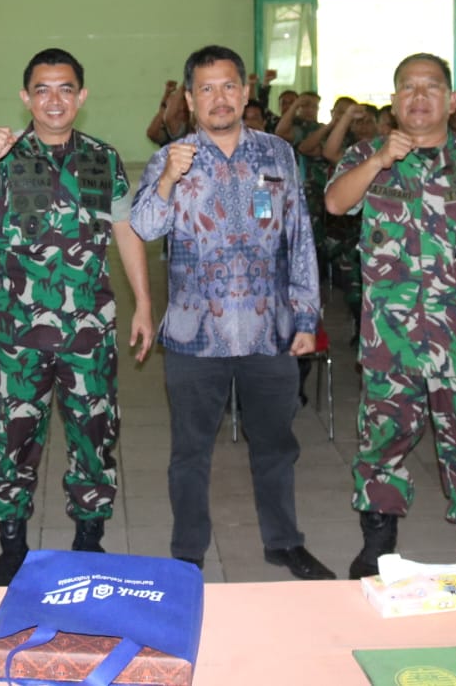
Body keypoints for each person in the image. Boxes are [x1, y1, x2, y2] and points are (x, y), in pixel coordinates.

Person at [130, 45, 334, 581]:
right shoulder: (169, 158)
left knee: (277, 448)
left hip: (270, 331)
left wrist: (307, 319)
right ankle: (188, 553)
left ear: (245, 93)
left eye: (228, 87)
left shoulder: (278, 155)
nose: (218, 98)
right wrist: (169, 178)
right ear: (189, 99)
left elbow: (300, 238)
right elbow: (146, 226)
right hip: (197, 336)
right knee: (190, 454)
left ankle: (284, 542)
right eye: (205, 88)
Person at [0, 49, 155, 586]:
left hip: (90, 333)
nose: (54, 99)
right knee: (13, 439)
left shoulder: (102, 158)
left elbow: (126, 230)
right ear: (26, 97)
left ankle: (89, 540)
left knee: (94, 434)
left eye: (65, 88)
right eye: (42, 89)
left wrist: (144, 305)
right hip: (20, 335)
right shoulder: (3, 155)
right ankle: (12, 545)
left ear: (81, 96)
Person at [326, 53, 456, 579]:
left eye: (431, 87)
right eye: (407, 88)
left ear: (452, 100)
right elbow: (333, 204)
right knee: (381, 442)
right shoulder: (368, 154)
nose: (419, 97)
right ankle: (378, 547)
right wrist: (377, 163)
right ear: (393, 102)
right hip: (392, 341)